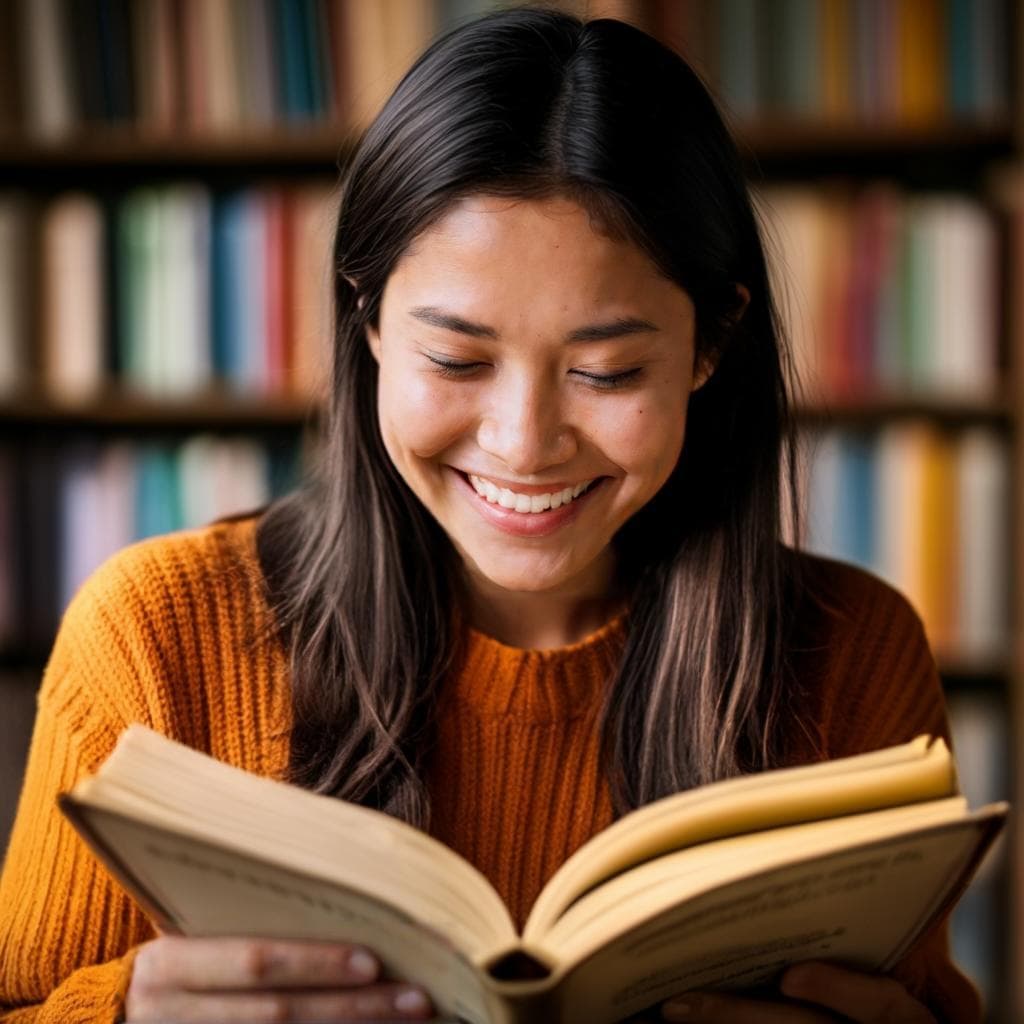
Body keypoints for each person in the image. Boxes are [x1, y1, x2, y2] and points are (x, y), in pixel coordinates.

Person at [0, 7, 982, 1024]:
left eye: (607, 370)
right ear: (369, 320)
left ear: (708, 345)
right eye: (457, 360)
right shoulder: (155, 634)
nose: (523, 441)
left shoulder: (852, 653)